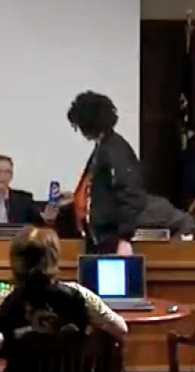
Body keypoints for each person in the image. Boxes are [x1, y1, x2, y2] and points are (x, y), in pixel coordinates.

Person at [67, 91, 195, 254]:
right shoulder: (105, 147)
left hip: (136, 213)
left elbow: (131, 193)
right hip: (115, 223)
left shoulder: (113, 150)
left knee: (186, 223)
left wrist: (124, 238)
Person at [0, 226, 128, 351]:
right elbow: (121, 329)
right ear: (53, 258)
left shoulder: (5, 298)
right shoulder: (79, 294)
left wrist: (8, 342)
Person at [0, 155, 58, 236]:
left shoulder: (24, 201)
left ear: (11, 176)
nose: (2, 176)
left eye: (7, 172)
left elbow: (39, 229)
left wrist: (48, 219)